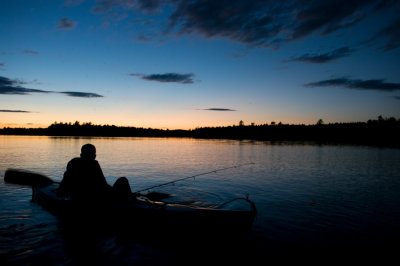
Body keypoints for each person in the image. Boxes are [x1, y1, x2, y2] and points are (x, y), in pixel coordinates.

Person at [57, 144, 132, 202]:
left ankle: (126, 198)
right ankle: (129, 200)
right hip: (92, 197)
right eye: (90, 155)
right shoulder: (92, 164)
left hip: (89, 195)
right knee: (123, 180)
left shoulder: (74, 163)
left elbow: (64, 184)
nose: (92, 157)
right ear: (94, 155)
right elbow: (103, 184)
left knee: (121, 182)